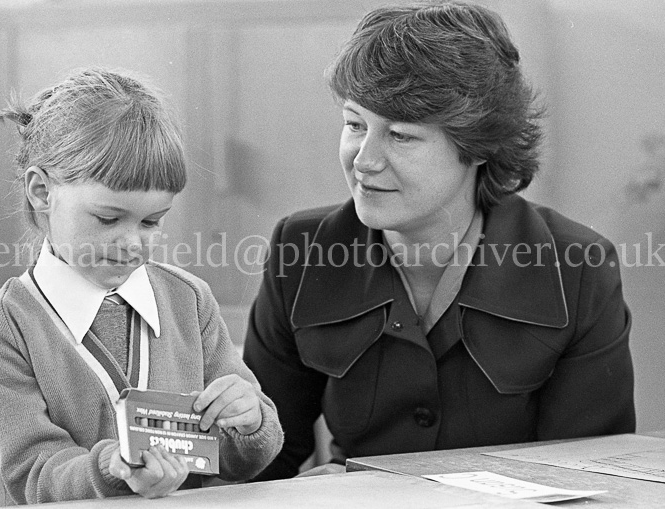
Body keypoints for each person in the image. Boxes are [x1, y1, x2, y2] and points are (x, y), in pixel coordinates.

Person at [243, 1, 635, 481]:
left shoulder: (578, 266)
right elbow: (257, 461)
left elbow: (590, 480)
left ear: (477, 145)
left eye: (401, 135)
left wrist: (377, 492)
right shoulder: (299, 249)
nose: (364, 161)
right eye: (354, 124)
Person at [0, 67, 283, 504]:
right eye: (108, 219)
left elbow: (240, 459)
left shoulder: (188, 301)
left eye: (152, 221)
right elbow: (33, 475)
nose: (132, 243)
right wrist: (114, 469)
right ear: (41, 192)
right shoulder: (3, 325)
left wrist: (249, 424)